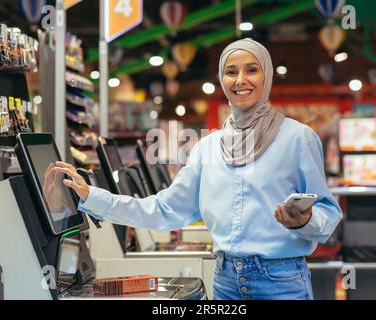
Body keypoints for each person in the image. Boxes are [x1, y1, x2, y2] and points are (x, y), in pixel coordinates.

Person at [54, 38, 342, 300]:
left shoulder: (297, 138)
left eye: (252, 70)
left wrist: (304, 222)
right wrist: (92, 196)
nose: (241, 80)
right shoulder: (208, 148)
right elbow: (164, 210)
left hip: (281, 282)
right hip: (226, 281)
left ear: (266, 75)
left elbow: (329, 214)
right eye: (231, 72)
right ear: (221, 79)